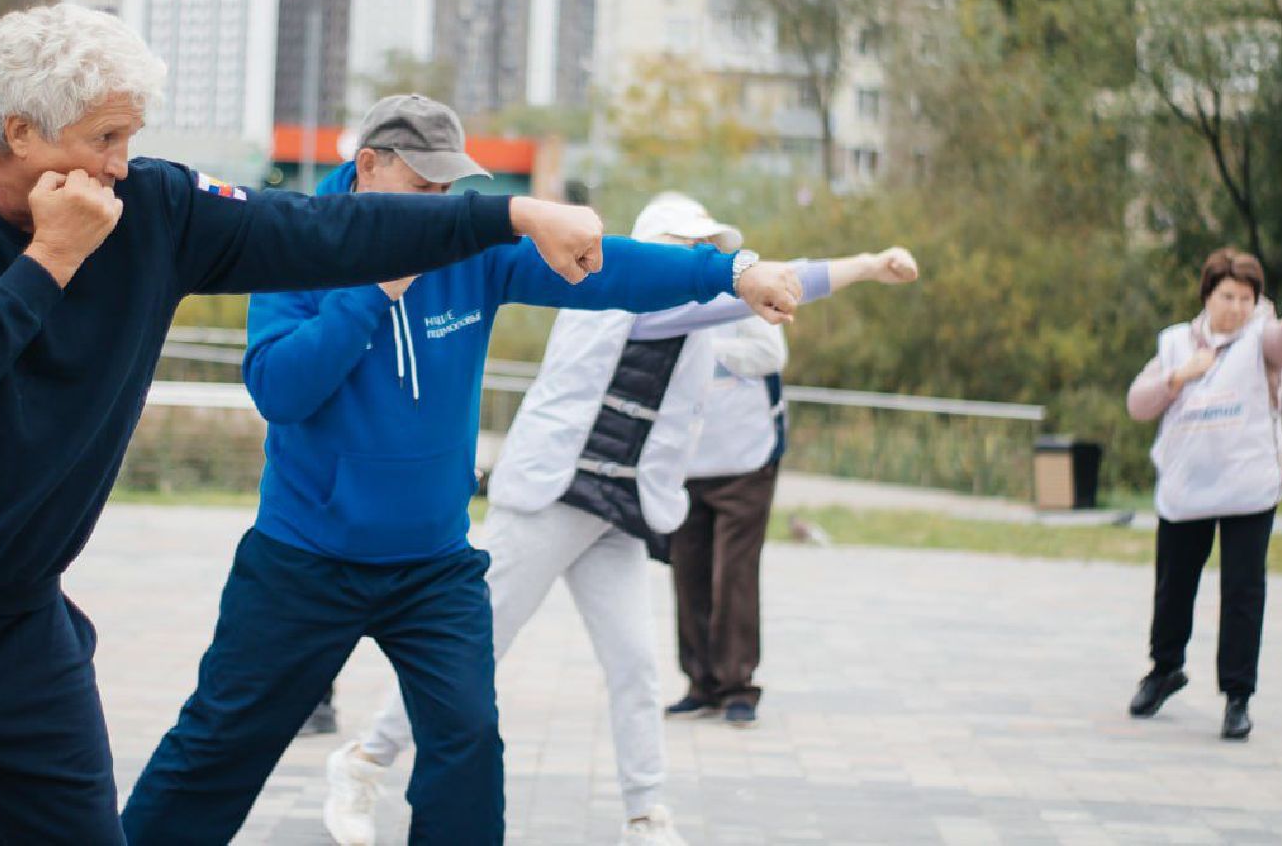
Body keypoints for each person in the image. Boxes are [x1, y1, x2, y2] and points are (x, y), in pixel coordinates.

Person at [0, 7, 609, 844]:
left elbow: (324, 231)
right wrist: (52, 257)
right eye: (104, 138)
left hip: (18, 631)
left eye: (129, 138)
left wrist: (511, 216)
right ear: (20, 131)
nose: (119, 165)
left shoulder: (155, 209)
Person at [121, 100, 807, 846]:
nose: (439, 210)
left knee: (468, 744)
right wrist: (371, 289)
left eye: (448, 193)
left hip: (432, 566)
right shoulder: (295, 243)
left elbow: (608, 269)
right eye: (424, 191)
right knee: (220, 744)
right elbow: (279, 392)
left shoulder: (464, 250)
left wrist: (731, 273)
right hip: (304, 558)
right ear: (369, 166)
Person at [327, 193, 918, 846]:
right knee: (468, 652)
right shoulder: (618, 295)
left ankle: (645, 817)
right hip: (552, 499)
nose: (697, 258)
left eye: (704, 247)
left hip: (618, 512)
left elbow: (768, 305)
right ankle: (364, 762)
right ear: (646, 247)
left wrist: (852, 268)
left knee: (634, 668)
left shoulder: (696, 321)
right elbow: (765, 282)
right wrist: (862, 264)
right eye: (683, 246)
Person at [1124, 247, 1282, 741]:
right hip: (1188, 488)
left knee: (1242, 593)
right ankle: (1164, 668)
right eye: (1226, 296)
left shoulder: (1261, 338)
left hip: (1247, 488)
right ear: (1208, 295)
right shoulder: (1175, 343)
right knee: (1173, 587)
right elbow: (1137, 404)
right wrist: (1177, 378)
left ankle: (1237, 696)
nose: (1235, 307)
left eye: (1246, 298)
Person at [665, 313, 789, 728]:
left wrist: (703, 349)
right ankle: (701, 685)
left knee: (733, 574)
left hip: (746, 458)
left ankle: (737, 686)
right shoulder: (667, 296)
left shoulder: (746, 291)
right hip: (685, 460)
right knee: (688, 572)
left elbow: (770, 354)